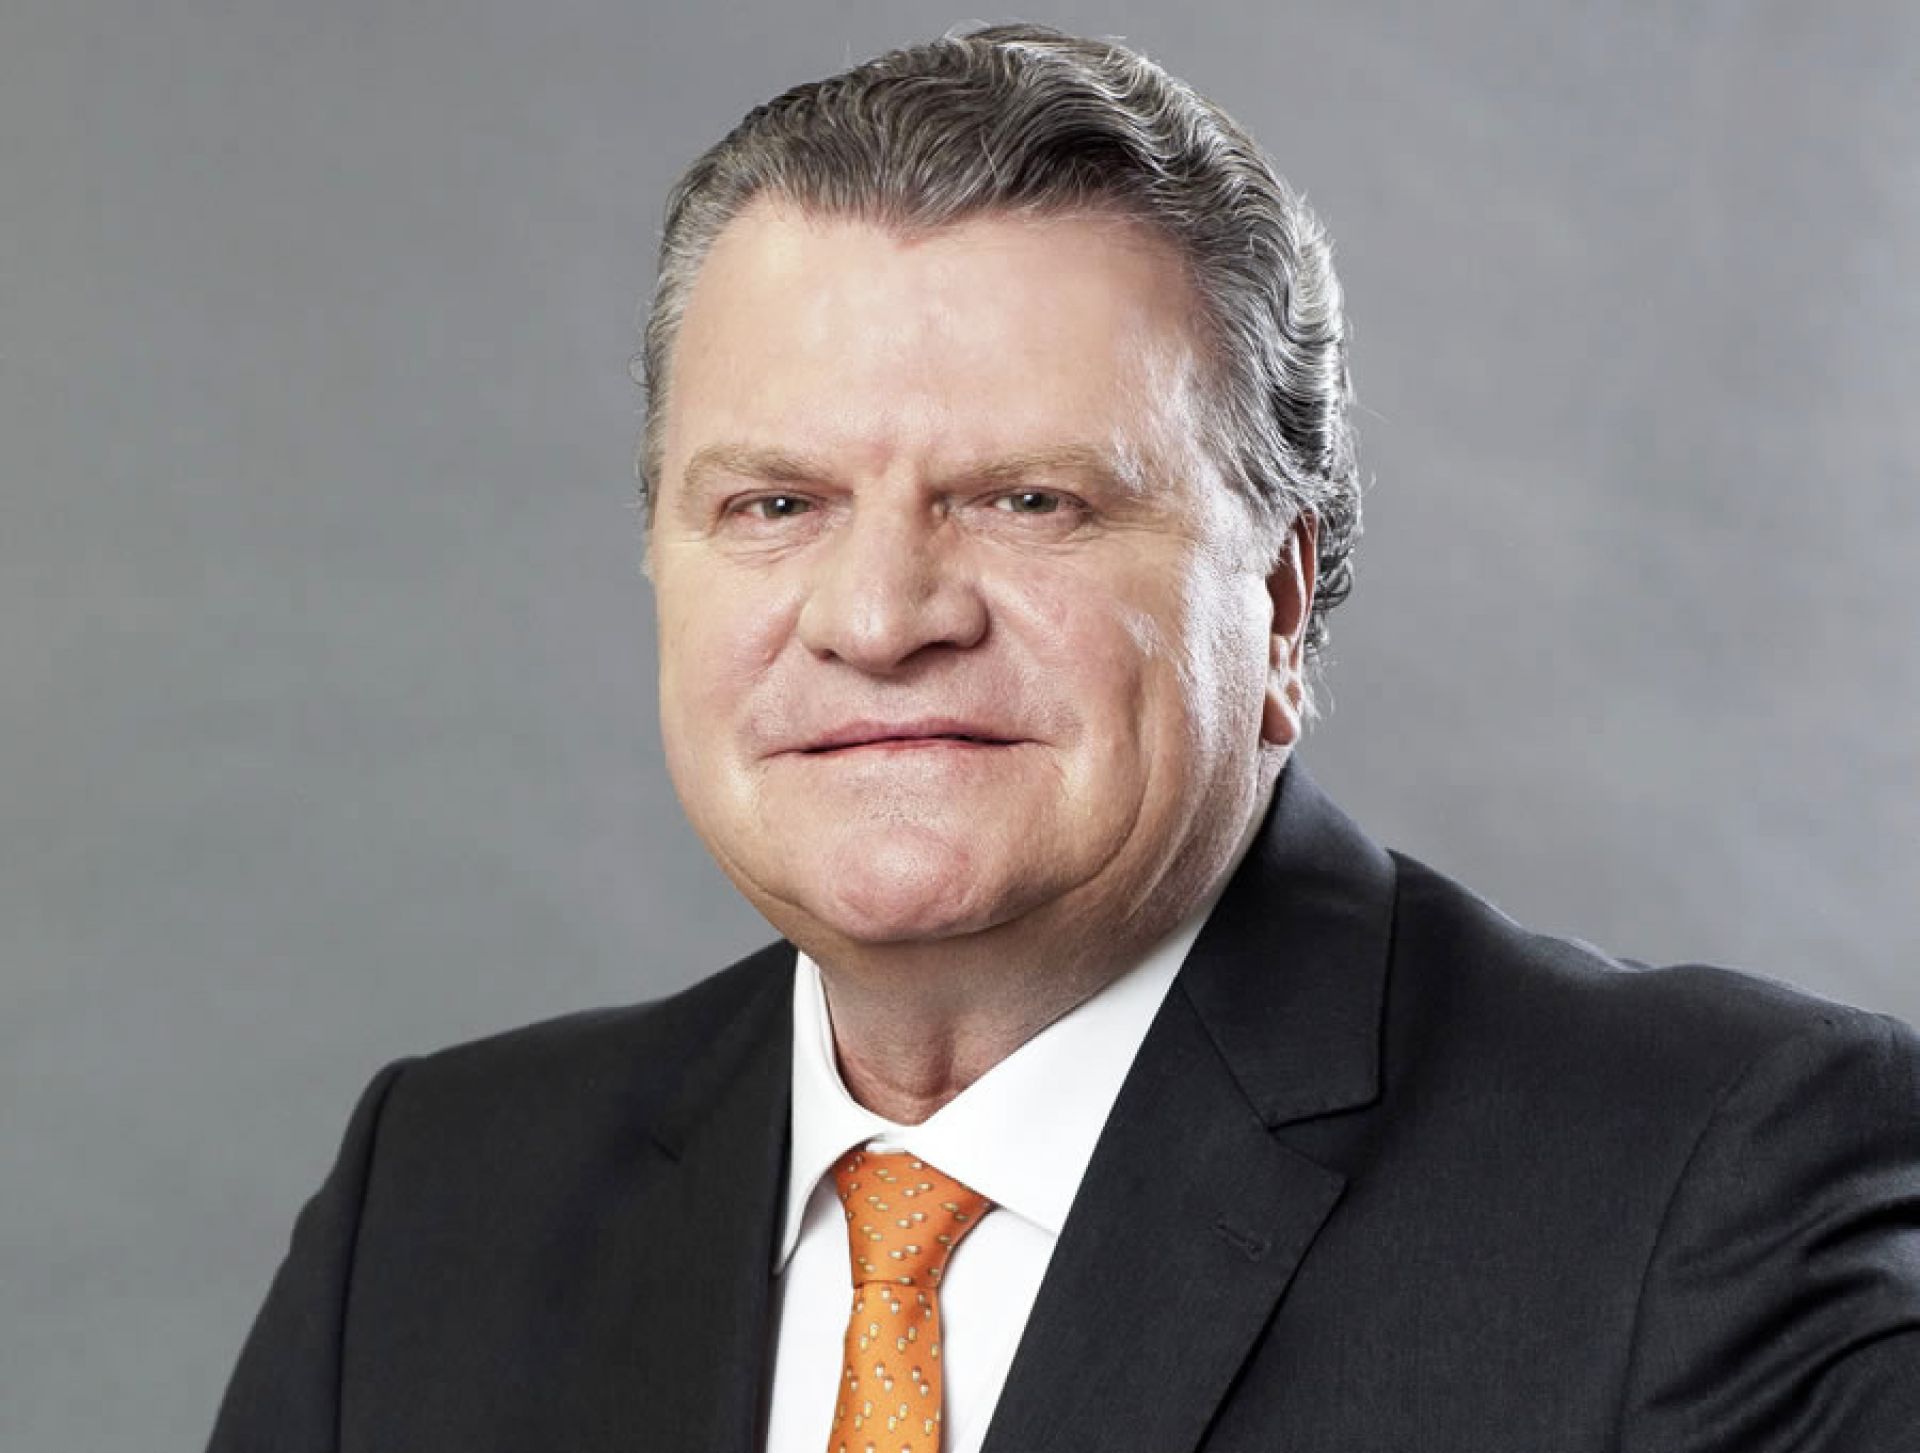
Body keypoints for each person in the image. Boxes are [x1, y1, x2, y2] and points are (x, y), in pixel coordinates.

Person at [207, 24, 1920, 1452]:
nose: (880, 615)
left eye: (1028, 499)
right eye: (776, 503)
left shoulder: (1707, 1188)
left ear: (1280, 605)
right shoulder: (432, 1204)